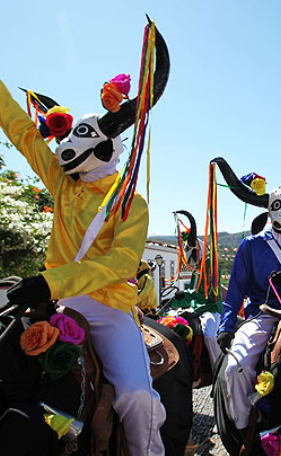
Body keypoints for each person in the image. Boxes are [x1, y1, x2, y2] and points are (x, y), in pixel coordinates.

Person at [1, 21, 170, 456]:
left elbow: (118, 266)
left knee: (137, 397)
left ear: (105, 148)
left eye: (81, 137)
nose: (64, 147)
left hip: (109, 310)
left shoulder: (131, 203)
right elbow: (22, 132)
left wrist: (49, 281)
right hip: (58, 303)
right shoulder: (62, 182)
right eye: (70, 135)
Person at [217, 186, 281, 432]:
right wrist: (226, 326)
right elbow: (235, 291)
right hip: (262, 316)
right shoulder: (250, 246)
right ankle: (244, 428)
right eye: (277, 205)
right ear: (268, 211)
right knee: (236, 367)